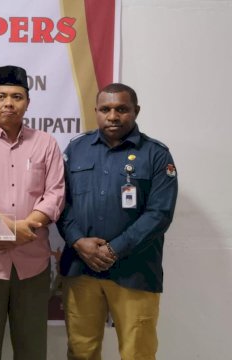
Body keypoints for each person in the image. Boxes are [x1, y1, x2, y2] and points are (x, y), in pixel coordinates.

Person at [57, 83, 178, 360]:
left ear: (136, 111)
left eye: (122, 109)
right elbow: (60, 203)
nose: (113, 116)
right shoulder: (76, 150)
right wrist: (78, 241)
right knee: (81, 351)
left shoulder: (156, 155)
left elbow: (159, 214)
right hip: (81, 269)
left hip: (135, 271)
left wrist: (113, 250)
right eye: (106, 109)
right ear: (96, 111)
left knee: (137, 352)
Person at [0, 65, 65, 360]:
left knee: (32, 348)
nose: (9, 103)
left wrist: (25, 228)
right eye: (1, 96)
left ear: (27, 102)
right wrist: (7, 227)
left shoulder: (46, 143)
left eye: (17, 97)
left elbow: (55, 191)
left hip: (33, 260)